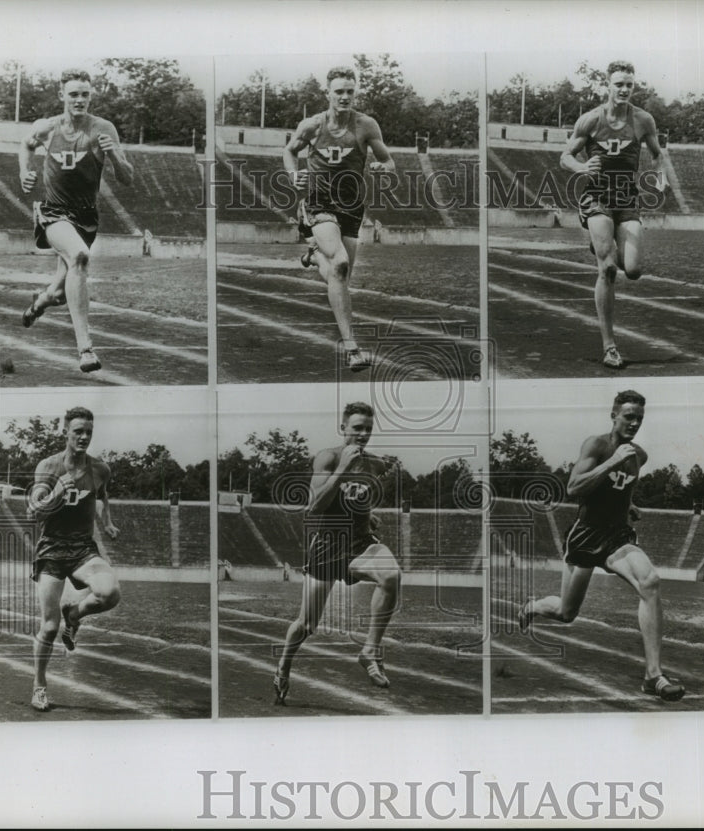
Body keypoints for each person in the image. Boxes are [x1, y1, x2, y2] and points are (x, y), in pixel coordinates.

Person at [519, 390, 685, 702]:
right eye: (628, 417)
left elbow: (618, 490)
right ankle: (533, 607)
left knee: (650, 581)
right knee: (567, 613)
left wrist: (629, 505)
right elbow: (574, 488)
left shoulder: (640, 456)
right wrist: (612, 461)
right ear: (613, 416)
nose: (634, 423)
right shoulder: (597, 445)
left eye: (639, 419)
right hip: (584, 536)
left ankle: (653, 676)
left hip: (617, 537)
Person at [273, 402, 402, 704]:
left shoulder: (375, 464)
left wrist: (367, 515)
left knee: (391, 574)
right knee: (306, 626)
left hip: (360, 543)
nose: (363, 434)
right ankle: (283, 666)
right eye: (357, 428)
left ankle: (369, 650)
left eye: (368, 429)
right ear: (343, 427)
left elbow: (358, 498)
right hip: (328, 547)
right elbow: (314, 506)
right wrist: (343, 468)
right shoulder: (328, 457)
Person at [18, 69, 134, 373]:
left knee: (60, 291)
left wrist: (116, 157)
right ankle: (85, 349)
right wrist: (23, 172)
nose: (79, 99)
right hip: (54, 212)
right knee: (80, 257)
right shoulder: (47, 127)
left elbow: (128, 179)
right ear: (62, 96)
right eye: (73, 94)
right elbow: (26, 145)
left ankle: (40, 303)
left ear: (91, 96)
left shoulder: (103, 128)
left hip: (86, 217)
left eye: (85, 94)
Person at [282, 67, 396, 373]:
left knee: (339, 274)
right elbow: (289, 151)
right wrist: (294, 175)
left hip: (351, 207)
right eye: (339, 91)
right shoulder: (312, 125)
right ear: (328, 93)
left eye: (350, 91)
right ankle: (352, 348)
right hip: (319, 202)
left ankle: (315, 257)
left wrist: (385, 168)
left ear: (355, 92)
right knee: (342, 263)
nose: (344, 96)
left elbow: (388, 160)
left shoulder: (366, 125)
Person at [560, 61, 667, 370]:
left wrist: (659, 181)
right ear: (607, 86)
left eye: (629, 85)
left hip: (627, 198)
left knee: (632, 269)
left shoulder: (643, 120)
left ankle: (601, 242)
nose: (624, 89)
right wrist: (582, 167)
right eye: (618, 83)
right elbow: (564, 157)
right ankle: (609, 347)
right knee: (608, 269)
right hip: (596, 196)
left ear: (634, 87)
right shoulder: (591, 120)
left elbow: (658, 155)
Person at [26, 406, 121, 711]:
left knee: (110, 593)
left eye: (88, 432)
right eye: (78, 431)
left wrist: (105, 523)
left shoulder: (100, 469)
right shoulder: (48, 467)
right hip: (51, 549)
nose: (84, 436)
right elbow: (33, 512)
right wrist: (55, 494)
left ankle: (75, 614)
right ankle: (39, 687)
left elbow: (103, 494)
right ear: (65, 431)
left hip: (82, 548)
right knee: (50, 627)